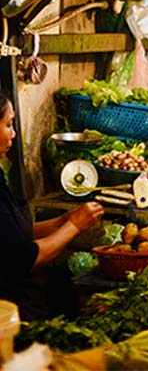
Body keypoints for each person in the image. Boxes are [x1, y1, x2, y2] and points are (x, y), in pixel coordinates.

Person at [0, 92, 105, 320]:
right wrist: (75, 226)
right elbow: (26, 257)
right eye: (8, 125)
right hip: (10, 313)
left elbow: (12, 235)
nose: (14, 134)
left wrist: (62, 221)